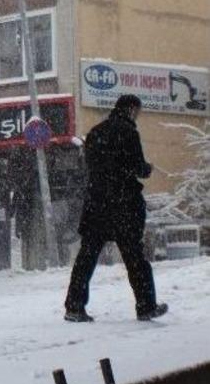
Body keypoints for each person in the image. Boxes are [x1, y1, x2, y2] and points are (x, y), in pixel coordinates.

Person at [64, 95, 168, 322]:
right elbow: (136, 167)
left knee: (86, 258)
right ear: (131, 109)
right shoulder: (128, 132)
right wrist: (147, 168)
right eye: (137, 112)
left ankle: (74, 307)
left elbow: (92, 168)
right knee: (135, 258)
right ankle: (146, 306)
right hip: (123, 205)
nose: (137, 116)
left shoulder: (95, 132)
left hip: (97, 204)